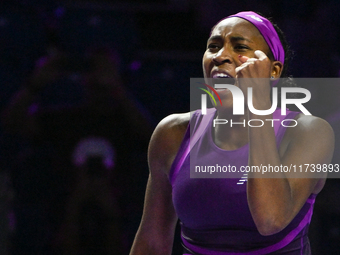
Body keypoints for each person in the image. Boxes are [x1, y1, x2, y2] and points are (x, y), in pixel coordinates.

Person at [129, 11, 334, 255]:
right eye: (213, 47)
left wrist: (257, 107)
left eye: (239, 46)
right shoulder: (173, 133)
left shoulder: (309, 131)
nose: (220, 56)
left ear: (273, 71)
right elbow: (152, 243)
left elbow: (270, 219)